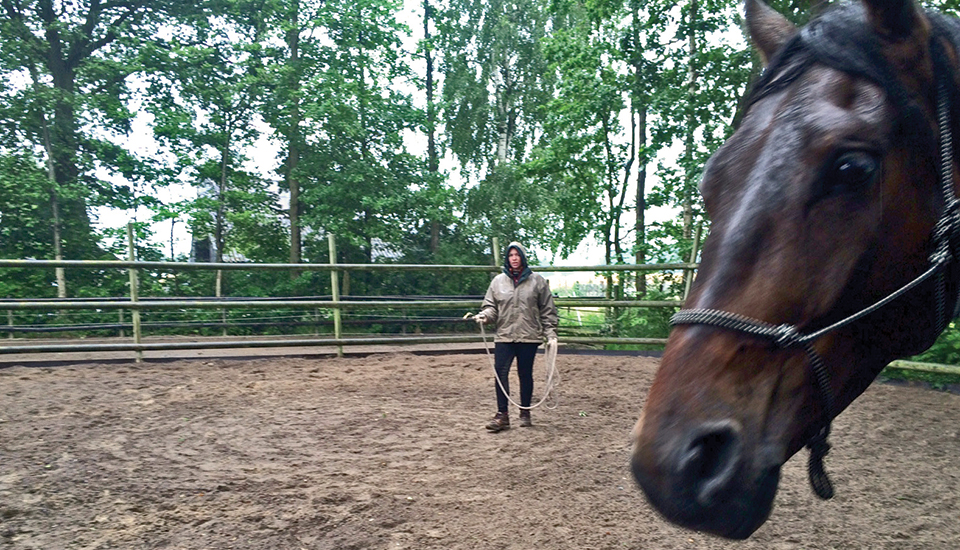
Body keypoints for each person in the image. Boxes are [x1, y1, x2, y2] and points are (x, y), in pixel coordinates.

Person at [473, 242, 558, 432]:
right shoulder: (498, 282)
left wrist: (550, 333)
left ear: (523, 257)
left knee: (525, 374)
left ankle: (525, 412)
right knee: (500, 372)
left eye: (517, 255)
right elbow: (491, 306)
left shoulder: (537, 281)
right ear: (507, 258)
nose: (514, 258)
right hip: (504, 335)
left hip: (529, 336)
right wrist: (485, 316)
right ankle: (502, 415)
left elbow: (547, 309)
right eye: (511, 255)